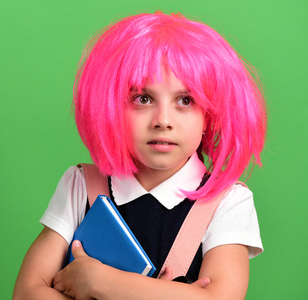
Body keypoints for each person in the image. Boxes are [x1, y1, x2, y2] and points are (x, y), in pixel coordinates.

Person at [13, 11, 267, 300]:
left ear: (209, 115)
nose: (163, 120)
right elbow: (27, 292)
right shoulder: (81, 185)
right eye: (143, 99)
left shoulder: (227, 202)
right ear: (111, 107)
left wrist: (100, 281)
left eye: (185, 100)